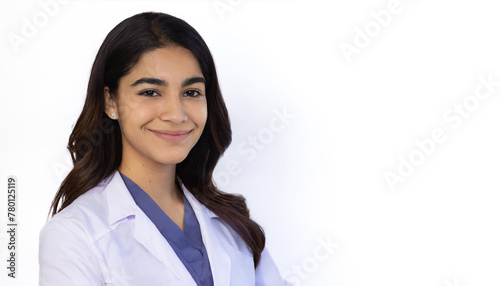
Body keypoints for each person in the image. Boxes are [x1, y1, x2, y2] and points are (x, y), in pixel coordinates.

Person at [39, 12, 286, 286]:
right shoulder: (73, 234)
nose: (176, 114)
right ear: (110, 102)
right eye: (150, 92)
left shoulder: (232, 223)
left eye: (191, 92)